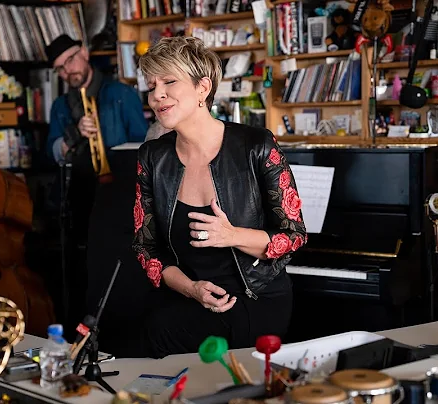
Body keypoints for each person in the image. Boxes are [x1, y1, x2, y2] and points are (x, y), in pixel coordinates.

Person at [131, 36, 308, 359]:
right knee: (145, 327)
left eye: (169, 81)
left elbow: (293, 236)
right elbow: (146, 247)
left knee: (161, 331)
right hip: (189, 294)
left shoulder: (257, 146)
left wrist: (231, 235)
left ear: (203, 88)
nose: (157, 95)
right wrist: (191, 289)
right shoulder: (152, 157)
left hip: (254, 296)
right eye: (151, 84)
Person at [45, 35, 148, 328]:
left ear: (85, 53)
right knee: (81, 274)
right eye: (60, 69)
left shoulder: (120, 94)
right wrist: (73, 135)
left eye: (70, 60)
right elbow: (51, 153)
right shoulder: (60, 106)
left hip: (121, 198)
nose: (68, 71)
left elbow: (142, 147)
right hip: (79, 199)